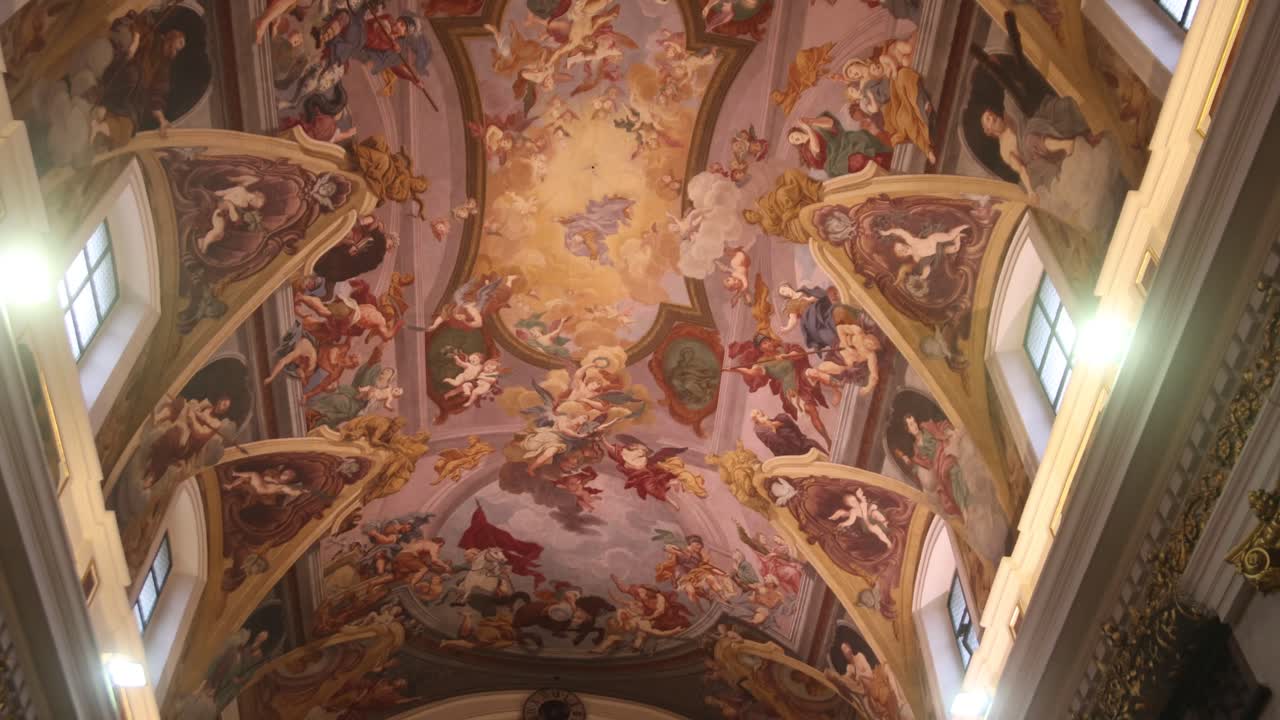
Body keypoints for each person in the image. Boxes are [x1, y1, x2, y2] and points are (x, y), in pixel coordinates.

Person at [789, 113, 891, 178]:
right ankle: (884, 169)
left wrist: (812, 121)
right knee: (857, 160)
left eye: (793, 136)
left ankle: (888, 158)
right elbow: (817, 149)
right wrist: (808, 129)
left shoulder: (815, 128)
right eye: (793, 141)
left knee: (862, 136)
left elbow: (831, 123)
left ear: (797, 130)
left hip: (841, 142)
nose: (795, 140)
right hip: (834, 160)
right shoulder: (806, 150)